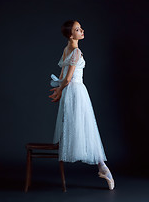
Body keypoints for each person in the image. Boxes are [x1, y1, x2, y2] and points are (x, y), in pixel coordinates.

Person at [49, 20, 115, 190]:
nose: (82, 30)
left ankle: (102, 167)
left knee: (83, 127)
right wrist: (60, 90)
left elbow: (62, 75)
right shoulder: (75, 51)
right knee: (85, 127)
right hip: (76, 91)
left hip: (71, 92)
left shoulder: (66, 49)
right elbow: (68, 78)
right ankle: (103, 167)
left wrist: (59, 91)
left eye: (80, 28)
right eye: (78, 29)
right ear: (71, 35)